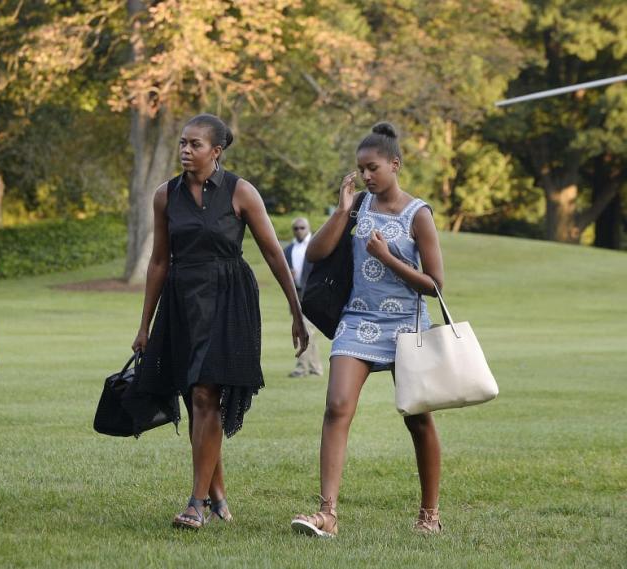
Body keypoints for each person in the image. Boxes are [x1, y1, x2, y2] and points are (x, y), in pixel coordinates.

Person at [132, 113, 308, 530]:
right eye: (182, 143)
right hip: (182, 301)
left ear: (217, 151)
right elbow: (158, 261)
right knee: (198, 398)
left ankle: (196, 503)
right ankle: (218, 496)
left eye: (194, 144)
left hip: (229, 299)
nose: (185, 151)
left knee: (207, 394)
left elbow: (272, 253)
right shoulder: (165, 195)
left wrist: (297, 312)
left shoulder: (241, 192)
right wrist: (145, 325)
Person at [291, 122, 445, 537]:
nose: (366, 176)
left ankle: (429, 514)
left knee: (418, 419)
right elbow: (317, 256)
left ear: (395, 164)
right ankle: (327, 514)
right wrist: (342, 211)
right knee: (337, 406)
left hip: (407, 327)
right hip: (358, 320)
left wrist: (389, 257)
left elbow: (434, 285)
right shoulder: (357, 206)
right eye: (361, 169)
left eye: (373, 167)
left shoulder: (419, 214)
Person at [283, 218, 325, 377]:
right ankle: (316, 368)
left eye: (302, 227)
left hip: (313, 293)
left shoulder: (317, 245)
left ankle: (301, 368)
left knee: (306, 329)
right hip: (296, 293)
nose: (299, 230)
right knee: (307, 331)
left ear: (308, 228)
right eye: (296, 228)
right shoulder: (288, 250)